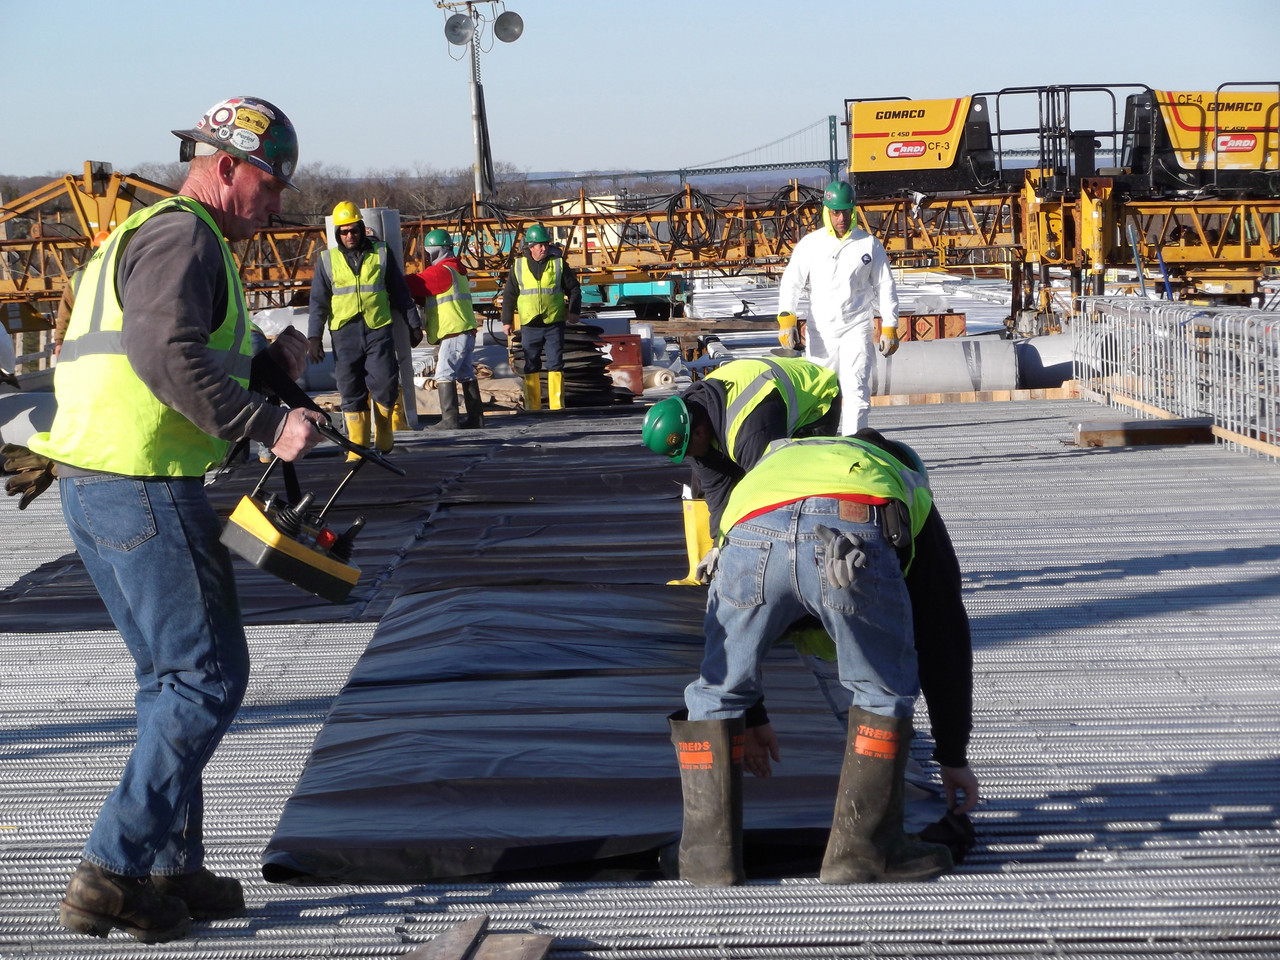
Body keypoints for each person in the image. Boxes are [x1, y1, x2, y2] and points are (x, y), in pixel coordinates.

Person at [26, 96, 326, 942]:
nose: (275, 206)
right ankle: (112, 868)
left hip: (96, 481)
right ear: (225, 165)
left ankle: (168, 868)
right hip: (146, 482)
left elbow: (163, 345)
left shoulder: (150, 234)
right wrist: (268, 426)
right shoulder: (186, 234)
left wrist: (268, 369)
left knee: (168, 681)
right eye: (270, 185)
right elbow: (164, 353)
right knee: (205, 678)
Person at [667, 429, 979, 887]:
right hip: (853, 528)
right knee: (879, 688)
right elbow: (942, 633)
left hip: (753, 527)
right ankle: (862, 854)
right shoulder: (904, 485)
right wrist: (952, 754)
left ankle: (707, 860)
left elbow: (739, 629)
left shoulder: (767, 471)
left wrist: (747, 714)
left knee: (717, 690)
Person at [641, 355, 840, 582]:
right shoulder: (691, 418)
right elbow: (718, 492)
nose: (689, 457)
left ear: (698, 432)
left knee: (794, 484)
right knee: (703, 483)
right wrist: (717, 546)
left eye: (687, 450)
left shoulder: (748, 433)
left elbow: (765, 494)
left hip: (817, 396)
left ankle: (801, 570)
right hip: (758, 401)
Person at [778, 180, 902, 435]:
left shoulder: (868, 244)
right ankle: (822, 447)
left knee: (856, 389)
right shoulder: (811, 245)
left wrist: (890, 325)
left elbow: (884, 285)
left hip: (856, 327)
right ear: (826, 211)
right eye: (836, 212)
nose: (841, 218)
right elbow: (792, 282)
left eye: (846, 211)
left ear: (854, 210)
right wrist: (787, 318)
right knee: (819, 393)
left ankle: (854, 447)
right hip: (821, 331)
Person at [307, 202, 423, 458]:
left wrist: (414, 324)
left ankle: (383, 431)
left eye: (354, 231)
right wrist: (314, 337)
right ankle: (358, 444)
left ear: (361, 229)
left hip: (377, 329)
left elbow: (400, 292)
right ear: (337, 234)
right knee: (350, 387)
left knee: (385, 381)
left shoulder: (381, 253)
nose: (350, 236)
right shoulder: (327, 261)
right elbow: (318, 302)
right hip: (344, 334)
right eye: (344, 232)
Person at [406, 228, 483, 430]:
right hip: (465, 331)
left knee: (443, 374)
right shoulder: (455, 270)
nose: (427, 257)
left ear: (436, 251)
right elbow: (431, 294)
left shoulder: (441, 271)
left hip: (454, 332)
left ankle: (450, 420)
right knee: (466, 374)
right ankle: (476, 419)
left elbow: (415, 284)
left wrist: (393, 278)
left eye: (429, 252)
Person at [500, 223, 581, 411]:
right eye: (539, 245)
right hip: (530, 323)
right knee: (531, 363)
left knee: (555, 362)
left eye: (545, 244)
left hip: (554, 321)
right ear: (530, 247)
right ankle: (533, 406)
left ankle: (556, 406)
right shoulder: (518, 266)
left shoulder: (558, 264)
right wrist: (506, 321)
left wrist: (575, 311)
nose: (544, 248)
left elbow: (574, 288)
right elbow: (509, 294)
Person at [53, 229, 110, 359]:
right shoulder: (121, 277)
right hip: (110, 349)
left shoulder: (78, 279)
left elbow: (64, 313)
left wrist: (59, 341)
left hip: (79, 350)